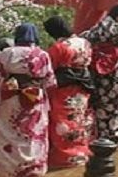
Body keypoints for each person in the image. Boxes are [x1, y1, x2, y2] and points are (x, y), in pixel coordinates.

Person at [0, 23, 56, 177]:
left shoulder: (7, 53)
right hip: (34, 97)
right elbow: (50, 81)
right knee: (33, 133)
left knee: (8, 132)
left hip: (11, 97)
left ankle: (7, 171)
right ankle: (33, 169)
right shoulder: (42, 54)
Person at [43, 16, 95, 169]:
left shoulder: (59, 47)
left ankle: (66, 156)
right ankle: (82, 152)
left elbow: (49, 67)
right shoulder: (85, 43)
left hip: (65, 89)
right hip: (82, 87)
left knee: (62, 122)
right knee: (80, 119)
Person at [84, 3, 118, 145]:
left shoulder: (98, 27)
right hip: (117, 66)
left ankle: (103, 133)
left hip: (99, 66)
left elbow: (86, 38)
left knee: (103, 100)